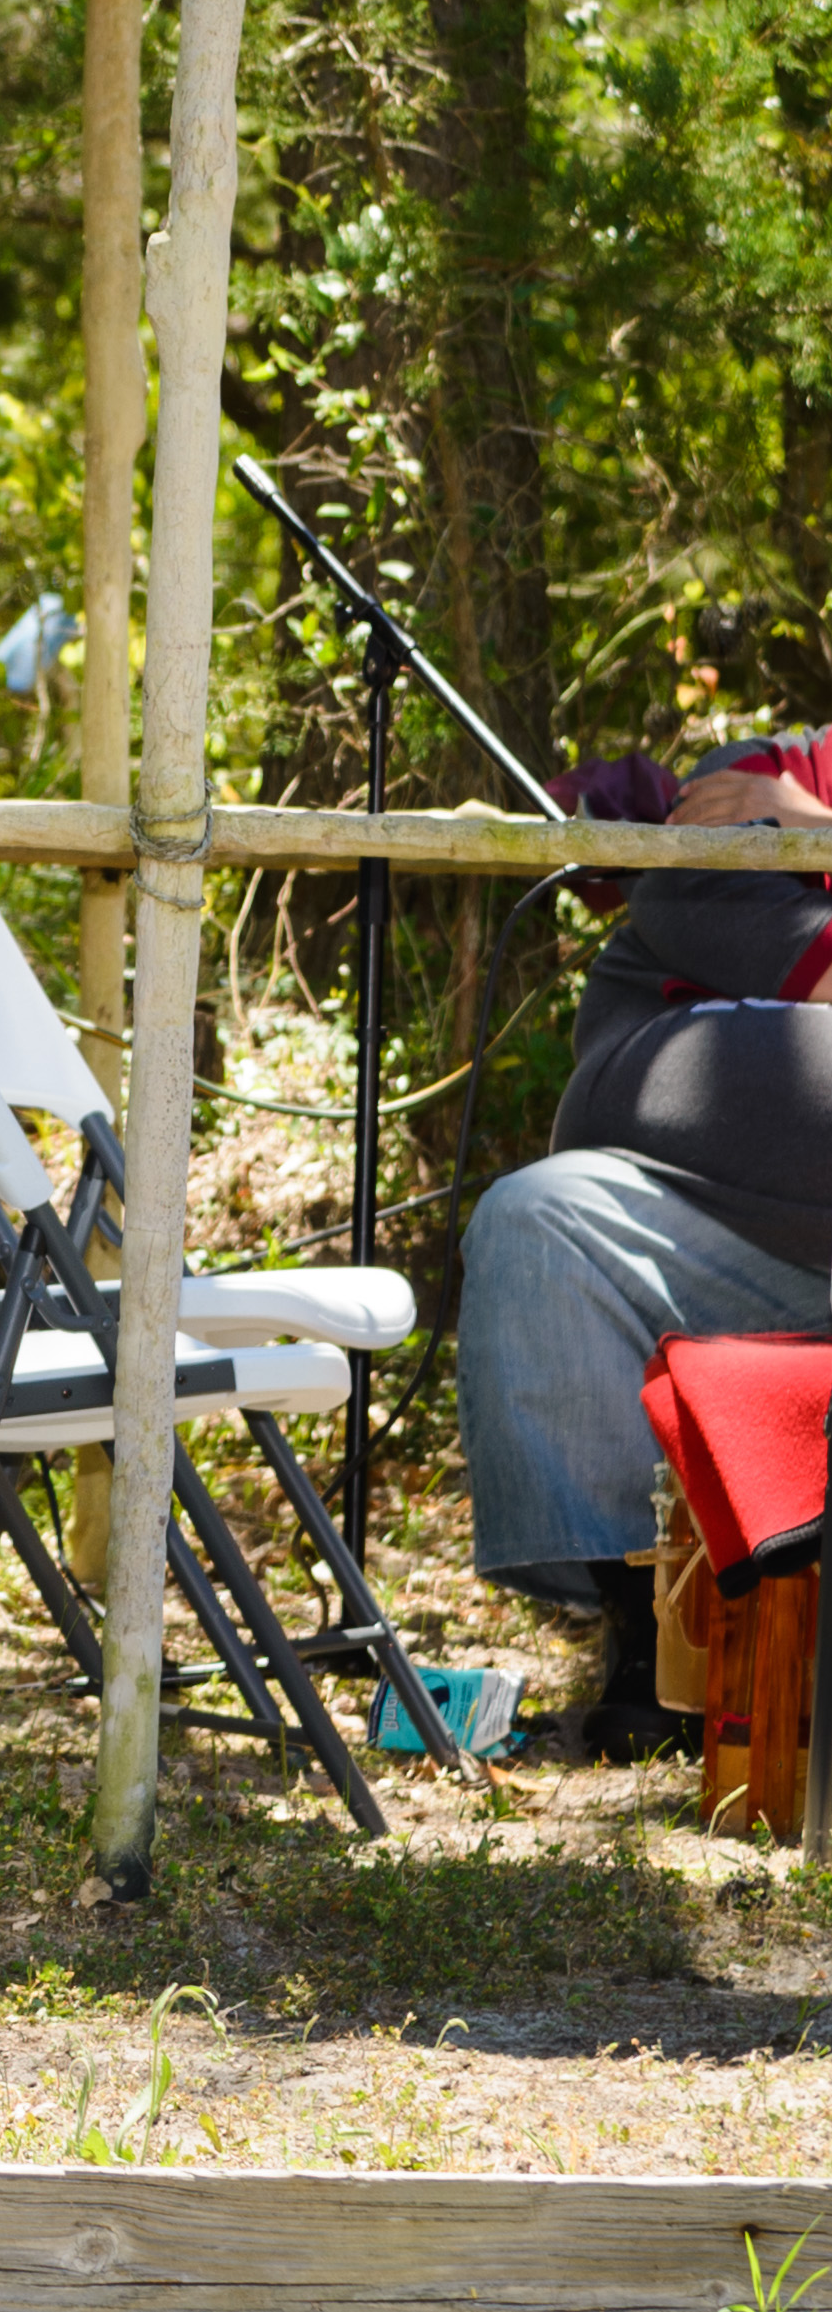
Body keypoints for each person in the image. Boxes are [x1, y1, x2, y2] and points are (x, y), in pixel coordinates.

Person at [459, 728, 832, 1760]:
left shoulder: (791, 809)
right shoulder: (749, 782)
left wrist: (813, 833)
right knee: (537, 1222)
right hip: (719, 1230)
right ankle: (650, 1632)